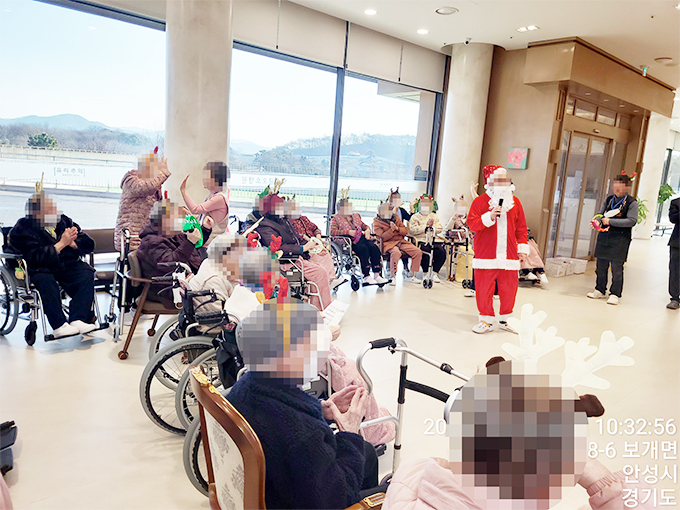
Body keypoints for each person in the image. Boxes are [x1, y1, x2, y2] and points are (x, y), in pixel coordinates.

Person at [227, 299, 385, 510]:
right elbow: (334, 500)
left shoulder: (245, 386)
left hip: (269, 482)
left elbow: (283, 414)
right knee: (391, 489)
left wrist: (321, 409)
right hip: (302, 499)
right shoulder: (304, 434)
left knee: (367, 453)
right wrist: (349, 431)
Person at [9, 191, 97, 338]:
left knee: (86, 273)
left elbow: (88, 243)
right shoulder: (23, 229)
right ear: (36, 213)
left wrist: (74, 243)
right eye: (49, 209)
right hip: (39, 268)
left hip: (63, 264)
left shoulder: (64, 221)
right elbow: (34, 257)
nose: (55, 211)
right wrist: (61, 244)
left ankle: (78, 319)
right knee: (46, 281)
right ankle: (59, 325)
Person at [467, 165, 529, 334]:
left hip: (509, 255)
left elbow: (521, 228)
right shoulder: (480, 202)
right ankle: (486, 320)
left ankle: (506, 319)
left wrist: (522, 248)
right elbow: (472, 223)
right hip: (486, 254)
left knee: (509, 289)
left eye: (505, 180)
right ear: (491, 182)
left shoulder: (515, 203)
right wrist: (490, 216)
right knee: (483, 289)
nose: (503, 184)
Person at [254, 192, 332, 310]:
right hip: (285, 262)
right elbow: (278, 248)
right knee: (320, 272)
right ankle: (321, 309)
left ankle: (313, 303)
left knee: (322, 262)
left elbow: (295, 238)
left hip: (296, 256)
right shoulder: (265, 226)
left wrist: (312, 245)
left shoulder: (282, 220)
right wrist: (303, 248)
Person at [136, 199, 212, 308]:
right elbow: (170, 264)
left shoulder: (168, 233)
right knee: (215, 288)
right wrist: (190, 242)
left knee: (218, 279)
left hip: (180, 280)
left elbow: (192, 246)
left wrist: (205, 228)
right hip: (166, 289)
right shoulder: (152, 242)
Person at [587, 174, 638, 306]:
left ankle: (615, 294)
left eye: (620, 185)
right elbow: (601, 213)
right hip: (605, 236)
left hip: (620, 238)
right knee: (601, 266)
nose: (616, 188)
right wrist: (597, 220)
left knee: (616, 268)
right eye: (615, 185)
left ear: (627, 187)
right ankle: (600, 289)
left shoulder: (631, 203)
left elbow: (632, 221)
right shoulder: (609, 199)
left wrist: (610, 221)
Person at [114, 149, 170, 252]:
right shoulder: (131, 179)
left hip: (146, 238)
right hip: (131, 238)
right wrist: (163, 174)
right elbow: (144, 188)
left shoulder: (153, 186)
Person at [285, 197, 345, 290]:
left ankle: (331, 279)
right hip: (305, 245)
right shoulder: (288, 222)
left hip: (315, 242)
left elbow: (315, 228)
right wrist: (311, 242)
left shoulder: (303, 218)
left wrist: (318, 237)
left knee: (325, 252)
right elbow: (298, 236)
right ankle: (327, 280)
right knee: (320, 255)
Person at [330, 198, 388, 286]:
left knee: (374, 248)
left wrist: (368, 230)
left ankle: (377, 274)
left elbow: (364, 226)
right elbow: (332, 232)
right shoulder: (335, 219)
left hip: (360, 238)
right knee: (363, 249)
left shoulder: (356, 216)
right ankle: (366, 275)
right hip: (347, 242)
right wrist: (348, 232)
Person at [374, 202, 423, 284]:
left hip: (400, 241)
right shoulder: (377, 222)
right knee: (396, 252)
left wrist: (397, 229)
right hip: (387, 243)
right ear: (380, 212)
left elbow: (405, 230)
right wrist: (392, 230)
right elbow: (382, 237)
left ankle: (411, 275)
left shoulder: (395, 217)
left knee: (417, 251)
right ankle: (392, 275)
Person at [179, 161, 230, 240]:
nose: (203, 179)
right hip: (207, 239)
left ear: (215, 179)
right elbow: (201, 215)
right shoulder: (212, 196)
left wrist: (183, 191)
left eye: (206, 176)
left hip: (211, 242)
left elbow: (195, 209)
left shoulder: (219, 198)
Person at [408, 194, 446, 283]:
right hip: (421, 239)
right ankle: (425, 273)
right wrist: (426, 226)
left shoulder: (434, 216)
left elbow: (440, 228)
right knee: (424, 251)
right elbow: (412, 230)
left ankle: (435, 273)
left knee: (441, 251)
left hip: (433, 239)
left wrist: (432, 227)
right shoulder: (415, 217)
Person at [388, 188, 413, 277]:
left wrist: (412, 209)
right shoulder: (386, 209)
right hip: (389, 236)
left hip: (400, 235)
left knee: (405, 246)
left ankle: (405, 268)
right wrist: (394, 211)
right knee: (393, 249)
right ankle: (390, 269)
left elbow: (411, 219)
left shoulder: (401, 210)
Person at [666, 197, 679, 309]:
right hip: (677, 242)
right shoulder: (676, 202)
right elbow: (673, 218)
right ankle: (675, 298)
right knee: (675, 270)